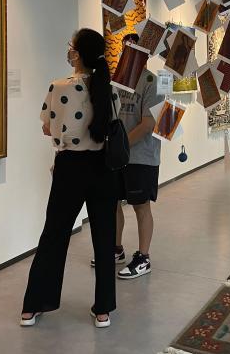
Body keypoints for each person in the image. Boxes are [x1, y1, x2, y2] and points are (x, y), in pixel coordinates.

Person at [21, 28, 118, 329]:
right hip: (103, 168)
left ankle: (33, 307)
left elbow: (47, 128)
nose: (68, 50)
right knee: (104, 238)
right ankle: (103, 311)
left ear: (76, 54)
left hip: (70, 168)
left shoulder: (60, 86)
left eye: (71, 46)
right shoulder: (109, 88)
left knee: (54, 234)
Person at [91, 33, 162, 279]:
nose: (128, 53)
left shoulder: (152, 82)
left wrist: (120, 146)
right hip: (118, 156)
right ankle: (116, 248)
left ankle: (144, 257)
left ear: (144, 53)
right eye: (125, 48)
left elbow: (147, 124)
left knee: (140, 206)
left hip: (141, 157)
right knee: (113, 202)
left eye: (134, 48)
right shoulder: (118, 81)